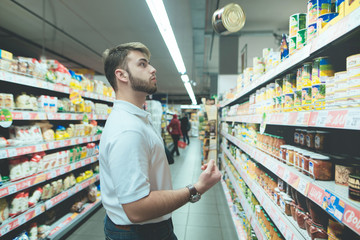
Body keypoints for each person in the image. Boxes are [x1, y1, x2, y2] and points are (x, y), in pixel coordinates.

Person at [100, 42, 221, 240]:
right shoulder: (128, 130)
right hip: (141, 233)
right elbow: (137, 209)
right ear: (121, 75)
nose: (153, 68)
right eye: (142, 64)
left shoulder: (137, 119)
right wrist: (197, 188)